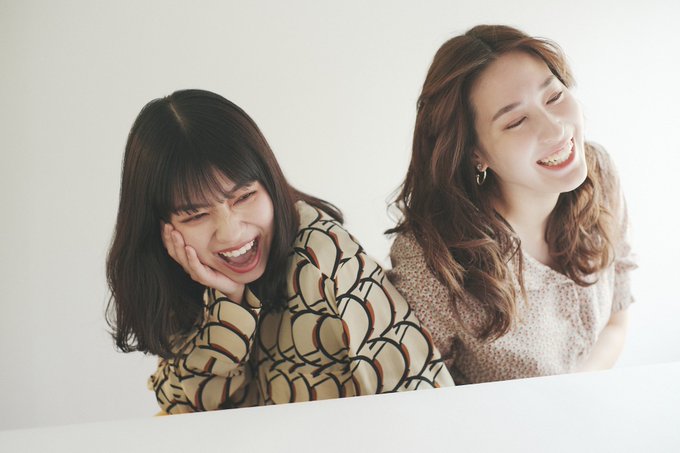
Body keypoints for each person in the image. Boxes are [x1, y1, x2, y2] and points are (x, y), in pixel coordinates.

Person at [106, 89, 453, 413]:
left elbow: (420, 395)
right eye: (196, 215)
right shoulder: (183, 275)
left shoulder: (323, 255)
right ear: (163, 229)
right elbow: (183, 409)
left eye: (244, 197)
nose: (231, 232)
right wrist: (230, 304)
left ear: (270, 183)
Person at [387, 25, 636, 385]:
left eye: (553, 96)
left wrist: (574, 395)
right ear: (475, 153)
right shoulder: (433, 260)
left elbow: (617, 318)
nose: (556, 130)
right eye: (516, 121)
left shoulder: (600, 174)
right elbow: (417, 393)